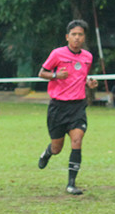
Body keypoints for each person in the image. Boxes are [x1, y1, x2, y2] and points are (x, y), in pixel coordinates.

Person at [36, 19, 99, 196]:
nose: (77, 38)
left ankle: (71, 184)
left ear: (84, 37)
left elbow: (82, 77)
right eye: (74, 34)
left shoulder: (87, 57)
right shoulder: (57, 54)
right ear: (67, 37)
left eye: (80, 35)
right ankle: (47, 153)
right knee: (57, 148)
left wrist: (89, 83)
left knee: (77, 140)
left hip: (77, 106)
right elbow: (41, 73)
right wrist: (56, 75)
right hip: (58, 107)